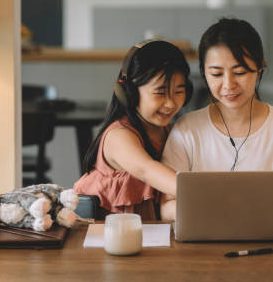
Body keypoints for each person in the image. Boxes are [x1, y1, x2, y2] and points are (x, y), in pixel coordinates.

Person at [160, 18, 273, 221]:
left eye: (239, 72)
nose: (229, 84)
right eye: (217, 74)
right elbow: (167, 206)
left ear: (260, 68)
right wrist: (219, 213)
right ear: (203, 73)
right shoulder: (186, 130)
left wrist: (256, 214)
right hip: (202, 246)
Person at [74, 40, 193, 220]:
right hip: (106, 236)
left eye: (178, 92)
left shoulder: (167, 130)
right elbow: (147, 170)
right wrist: (203, 193)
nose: (170, 103)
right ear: (130, 93)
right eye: (160, 93)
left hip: (148, 233)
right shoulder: (119, 136)